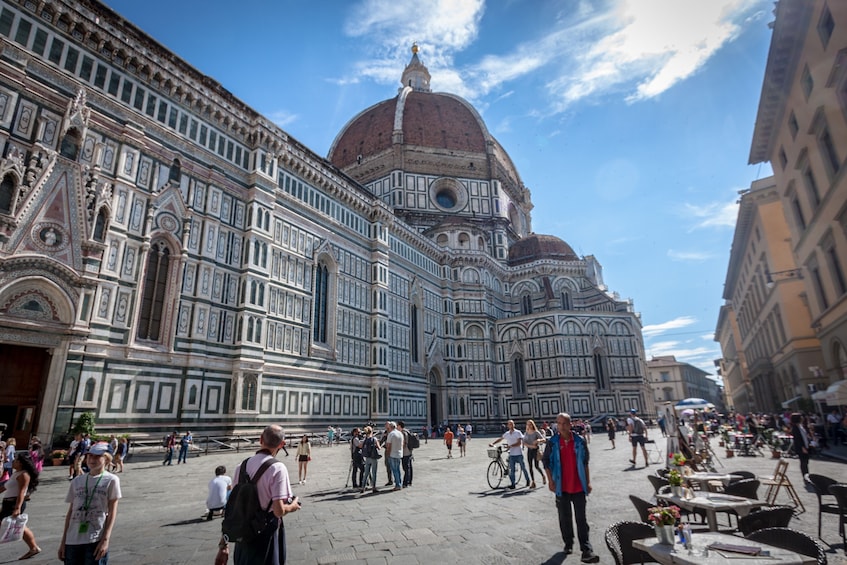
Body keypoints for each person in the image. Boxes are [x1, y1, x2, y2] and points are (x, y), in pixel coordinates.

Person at [214, 425, 301, 565]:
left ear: (260, 439)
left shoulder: (241, 466)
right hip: (265, 535)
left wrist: (223, 545)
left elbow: (233, 508)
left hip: (243, 534)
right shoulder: (278, 468)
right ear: (282, 444)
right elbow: (278, 510)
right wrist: (293, 506)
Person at [543, 413, 600, 563]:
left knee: (582, 519)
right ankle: (568, 543)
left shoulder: (580, 441)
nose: (562, 426)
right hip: (561, 486)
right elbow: (546, 462)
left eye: (565, 423)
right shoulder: (553, 442)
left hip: (578, 485)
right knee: (564, 517)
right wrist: (550, 481)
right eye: (559, 423)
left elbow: (585, 463)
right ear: (557, 425)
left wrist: (587, 482)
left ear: (570, 424)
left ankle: (586, 550)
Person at [58, 442, 121, 565]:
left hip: (95, 539)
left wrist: (105, 540)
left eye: (98, 456)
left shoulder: (111, 480)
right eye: (90, 456)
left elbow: (112, 512)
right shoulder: (77, 481)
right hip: (72, 540)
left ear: (107, 459)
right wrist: (63, 541)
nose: (92, 459)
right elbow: (71, 511)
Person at [0, 451, 42, 560]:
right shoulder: (16, 473)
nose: (13, 461)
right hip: (8, 503)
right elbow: (5, 487)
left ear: (21, 463)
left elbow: (22, 492)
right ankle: (34, 547)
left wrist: (17, 508)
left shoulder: (24, 474)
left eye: (15, 460)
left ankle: (34, 547)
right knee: (21, 527)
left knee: (17, 525)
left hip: (14, 503)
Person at [490, 419, 530, 489]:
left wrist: (510, 446)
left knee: (523, 468)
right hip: (511, 454)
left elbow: (519, 443)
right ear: (508, 425)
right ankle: (513, 484)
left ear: (513, 425)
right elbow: (501, 438)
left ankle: (528, 480)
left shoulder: (518, 432)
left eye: (511, 424)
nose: (510, 425)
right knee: (512, 470)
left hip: (518, 453)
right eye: (509, 424)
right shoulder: (507, 433)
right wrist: (493, 443)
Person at [523, 419, 546, 489]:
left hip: (536, 451)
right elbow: (524, 442)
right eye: (528, 424)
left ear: (532, 425)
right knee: (530, 466)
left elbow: (544, 439)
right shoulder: (526, 433)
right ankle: (533, 482)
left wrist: (538, 440)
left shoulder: (536, 432)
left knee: (536, 466)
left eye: (530, 424)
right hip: (529, 451)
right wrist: (531, 446)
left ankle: (543, 475)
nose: (529, 425)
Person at [790, 412, 811, 482]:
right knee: (803, 462)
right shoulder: (795, 428)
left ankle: (807, 475)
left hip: (805, 445)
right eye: (801, 417)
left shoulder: (801, 426)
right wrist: (802, 447)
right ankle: (805, 476)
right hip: (801, 447)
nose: (802, 418)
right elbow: (797, 439)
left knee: (806, 461)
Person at [360, 426, 381, 493]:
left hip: (367, 457)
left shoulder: (365, 439)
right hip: (373, 457)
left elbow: (361, 446)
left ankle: (363, 487)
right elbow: (379, 447)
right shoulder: (374, 439)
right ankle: (373, 487)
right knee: (374, 473)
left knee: (366, 473)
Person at [385, 421, 404, 491]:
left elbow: (388, 445)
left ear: (391, 427)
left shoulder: (391, 434)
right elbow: (402, 444)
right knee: (398, 469)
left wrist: (388, 453)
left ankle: (397, 485)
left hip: (392, 454)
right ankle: (399, 483)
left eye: (388, 427)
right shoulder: (400, 433)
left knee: (394, 470)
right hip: (399, 454)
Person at [398, 421, 413, 487]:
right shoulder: (407, 431)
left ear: (400, 426)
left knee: (406, 468)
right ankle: (409, 481)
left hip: (405, 453)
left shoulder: (403, 433)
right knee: (409, 467)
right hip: (409, 452)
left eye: (397, 425)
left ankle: (405, 482)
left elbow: (403, 443)